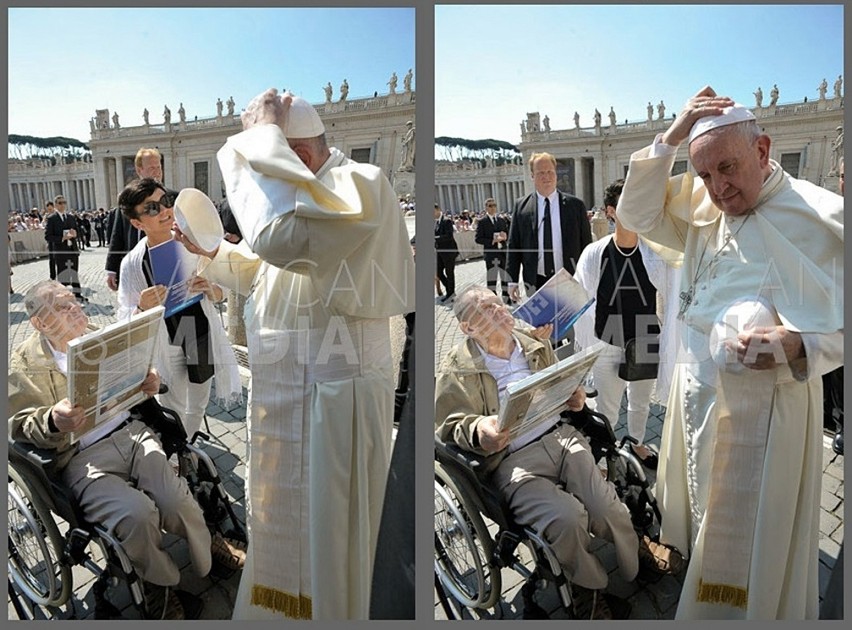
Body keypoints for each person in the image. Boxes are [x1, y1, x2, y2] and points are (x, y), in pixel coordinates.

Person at [175, 88, 414, 620]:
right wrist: (214, 253)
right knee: (284, 520)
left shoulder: (362, 184)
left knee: (329, 532)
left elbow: (283, 243)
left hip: (336, 402)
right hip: (295, 393)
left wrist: (259, 139)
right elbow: (270, 272)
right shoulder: (308, 198)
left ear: (297, 156)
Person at [616, 86, 843, 619]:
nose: (718, 188)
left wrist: (802, 343)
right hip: (697, 389)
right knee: (703, 503)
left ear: (762, 151)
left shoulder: (821, 213)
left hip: (770, 411)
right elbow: (635, 212)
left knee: (754, 528)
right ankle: (701, 571)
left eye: (728, 168)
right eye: (705, 175)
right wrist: (671, 138)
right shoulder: (702, 204)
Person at [435, 286, 682, 620]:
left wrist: (575, 398)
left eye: (498, 302)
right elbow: (448, 425)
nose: (499, 309)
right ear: (468, 327)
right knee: (567, 518)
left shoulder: (532, 340)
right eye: (486, 309)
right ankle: (589, 590)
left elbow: (561, 384)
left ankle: (634, 550)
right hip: (512, 461)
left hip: (562, 438)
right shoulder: (458, 368)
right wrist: (480, 430)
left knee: (602, 502)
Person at [7, 280, 241, 619]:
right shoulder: (23, 365)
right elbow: (18, 423)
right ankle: (158, 585)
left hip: (131, 433)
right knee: (136, 514)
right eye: (61, 306)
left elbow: (141, 372)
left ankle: (206, 548)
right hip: (80, 458)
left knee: (175, 498)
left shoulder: (101, 334)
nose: (74, 308)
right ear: (40, 323)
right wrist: (53, 420)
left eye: (73, 300)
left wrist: (150, 380)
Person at [115, 178, 241, 439]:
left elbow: (221, 295)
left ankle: (189, 448)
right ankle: (177, 455)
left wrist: (209, 287)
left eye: (166, 202)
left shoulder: (195, 242)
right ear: (137, 223)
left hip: (198, 331)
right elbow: (123, 316)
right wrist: (141, 305)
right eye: (151, 209)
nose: (164, 211)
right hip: (166, 340)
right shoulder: (131, 263)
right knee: (173, 405)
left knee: (198, 401)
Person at [573, 179, 672, 469]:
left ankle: (638, 443)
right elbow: (578, 297)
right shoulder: (595, 253)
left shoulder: (655, 253)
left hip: (645, 339)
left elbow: (669, 295)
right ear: (611, 211)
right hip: (607, 339)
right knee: (607, 406)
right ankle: (607, 450)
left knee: (641, 402)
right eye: (627, 204)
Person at [506, 152, 592, 302]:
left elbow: (586, 245)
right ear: (532, 176)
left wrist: (589, 276)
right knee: (542, 326)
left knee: (570, 324)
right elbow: (514, 245)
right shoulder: (521, 207)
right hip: (536, 281)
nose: (546, 176)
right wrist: (512, 280)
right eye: (540, 173)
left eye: (550, 172)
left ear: (556, 174)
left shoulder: (576, 206)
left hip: (570, 279)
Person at [105, 147, 163, 291]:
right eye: (151, 168)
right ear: (139, 170)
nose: (157, 172)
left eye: (159, 167)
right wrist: (111, 269)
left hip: (162, 265)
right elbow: (117, 235)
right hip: (134, 266)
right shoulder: (128, 198)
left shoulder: (170, 197)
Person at [44, 195, 85, 302]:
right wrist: (62, 238)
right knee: (62, 274)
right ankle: (63, 297)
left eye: (64, 202)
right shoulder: (52, 219)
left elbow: (78, 231)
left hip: (72, 249)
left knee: (74, 273)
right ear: (56, 205)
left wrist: (76, 234)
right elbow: (48, 236)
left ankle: (78, 294)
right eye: (60, 203)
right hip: (61, 251)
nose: (63, 205)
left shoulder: (71, 217)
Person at [474, 198, 510, 303]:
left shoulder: (501, 220)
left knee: (505, 275)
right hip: (491, 253)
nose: (493, 207)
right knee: (492, 277)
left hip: (503, 252)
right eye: (490, 206)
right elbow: (478, 239)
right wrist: (492, 241)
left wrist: (505, 236)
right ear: (486, 207)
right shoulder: (482, 222)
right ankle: (492, 298)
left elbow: (507, 233)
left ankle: (506, 295)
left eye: (494, 205)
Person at [435, 202, 458, 302]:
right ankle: (449, 289)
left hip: (449, 251)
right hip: (440, 252)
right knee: (438, 272)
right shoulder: (436, 222)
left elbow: (449, 236)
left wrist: (436, 238)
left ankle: (450, 293)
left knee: (449, 273)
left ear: (438, 210)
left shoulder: (447, 221)